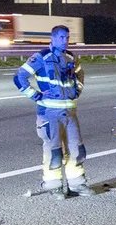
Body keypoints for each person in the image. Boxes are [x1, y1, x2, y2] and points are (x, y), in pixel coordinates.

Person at [13, 25, 91, 198]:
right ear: (53, 38)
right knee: (54, 151)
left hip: (70, 113)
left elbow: (80, 75)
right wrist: (36, 95)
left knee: (76, 150)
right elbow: (19, 77)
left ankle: (77, 184)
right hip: (49, 113)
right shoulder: (41, 57)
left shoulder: (70, 56)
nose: (65, 41)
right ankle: (54, 186)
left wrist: (77, 90)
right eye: (62, 37)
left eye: (68, 37)